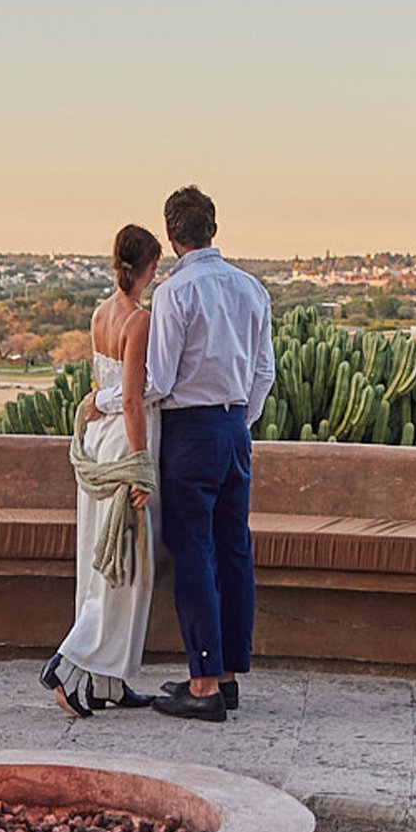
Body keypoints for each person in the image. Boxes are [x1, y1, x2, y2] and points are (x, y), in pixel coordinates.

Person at [141, 185, 275, 722]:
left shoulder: (177, 292)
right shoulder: (251, 289)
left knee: (194, 551)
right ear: (213, 228)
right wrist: (237, 422)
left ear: (172, 236)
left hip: (191, 431)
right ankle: (226, 673)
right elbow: (264, 373)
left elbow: (159, 379)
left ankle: (202, 685)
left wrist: (106, 399)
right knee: (233, 548)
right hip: (234, 429)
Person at [39, 226, 166, 717]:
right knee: (126, 568)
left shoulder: (98, 314)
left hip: (97, 440)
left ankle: (108, 683)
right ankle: (70, 663)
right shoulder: (139, 320)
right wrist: (141, 466)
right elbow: (131, 399)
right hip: (122, 444)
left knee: (99, 558)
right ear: (147, 267)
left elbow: (103, 386)